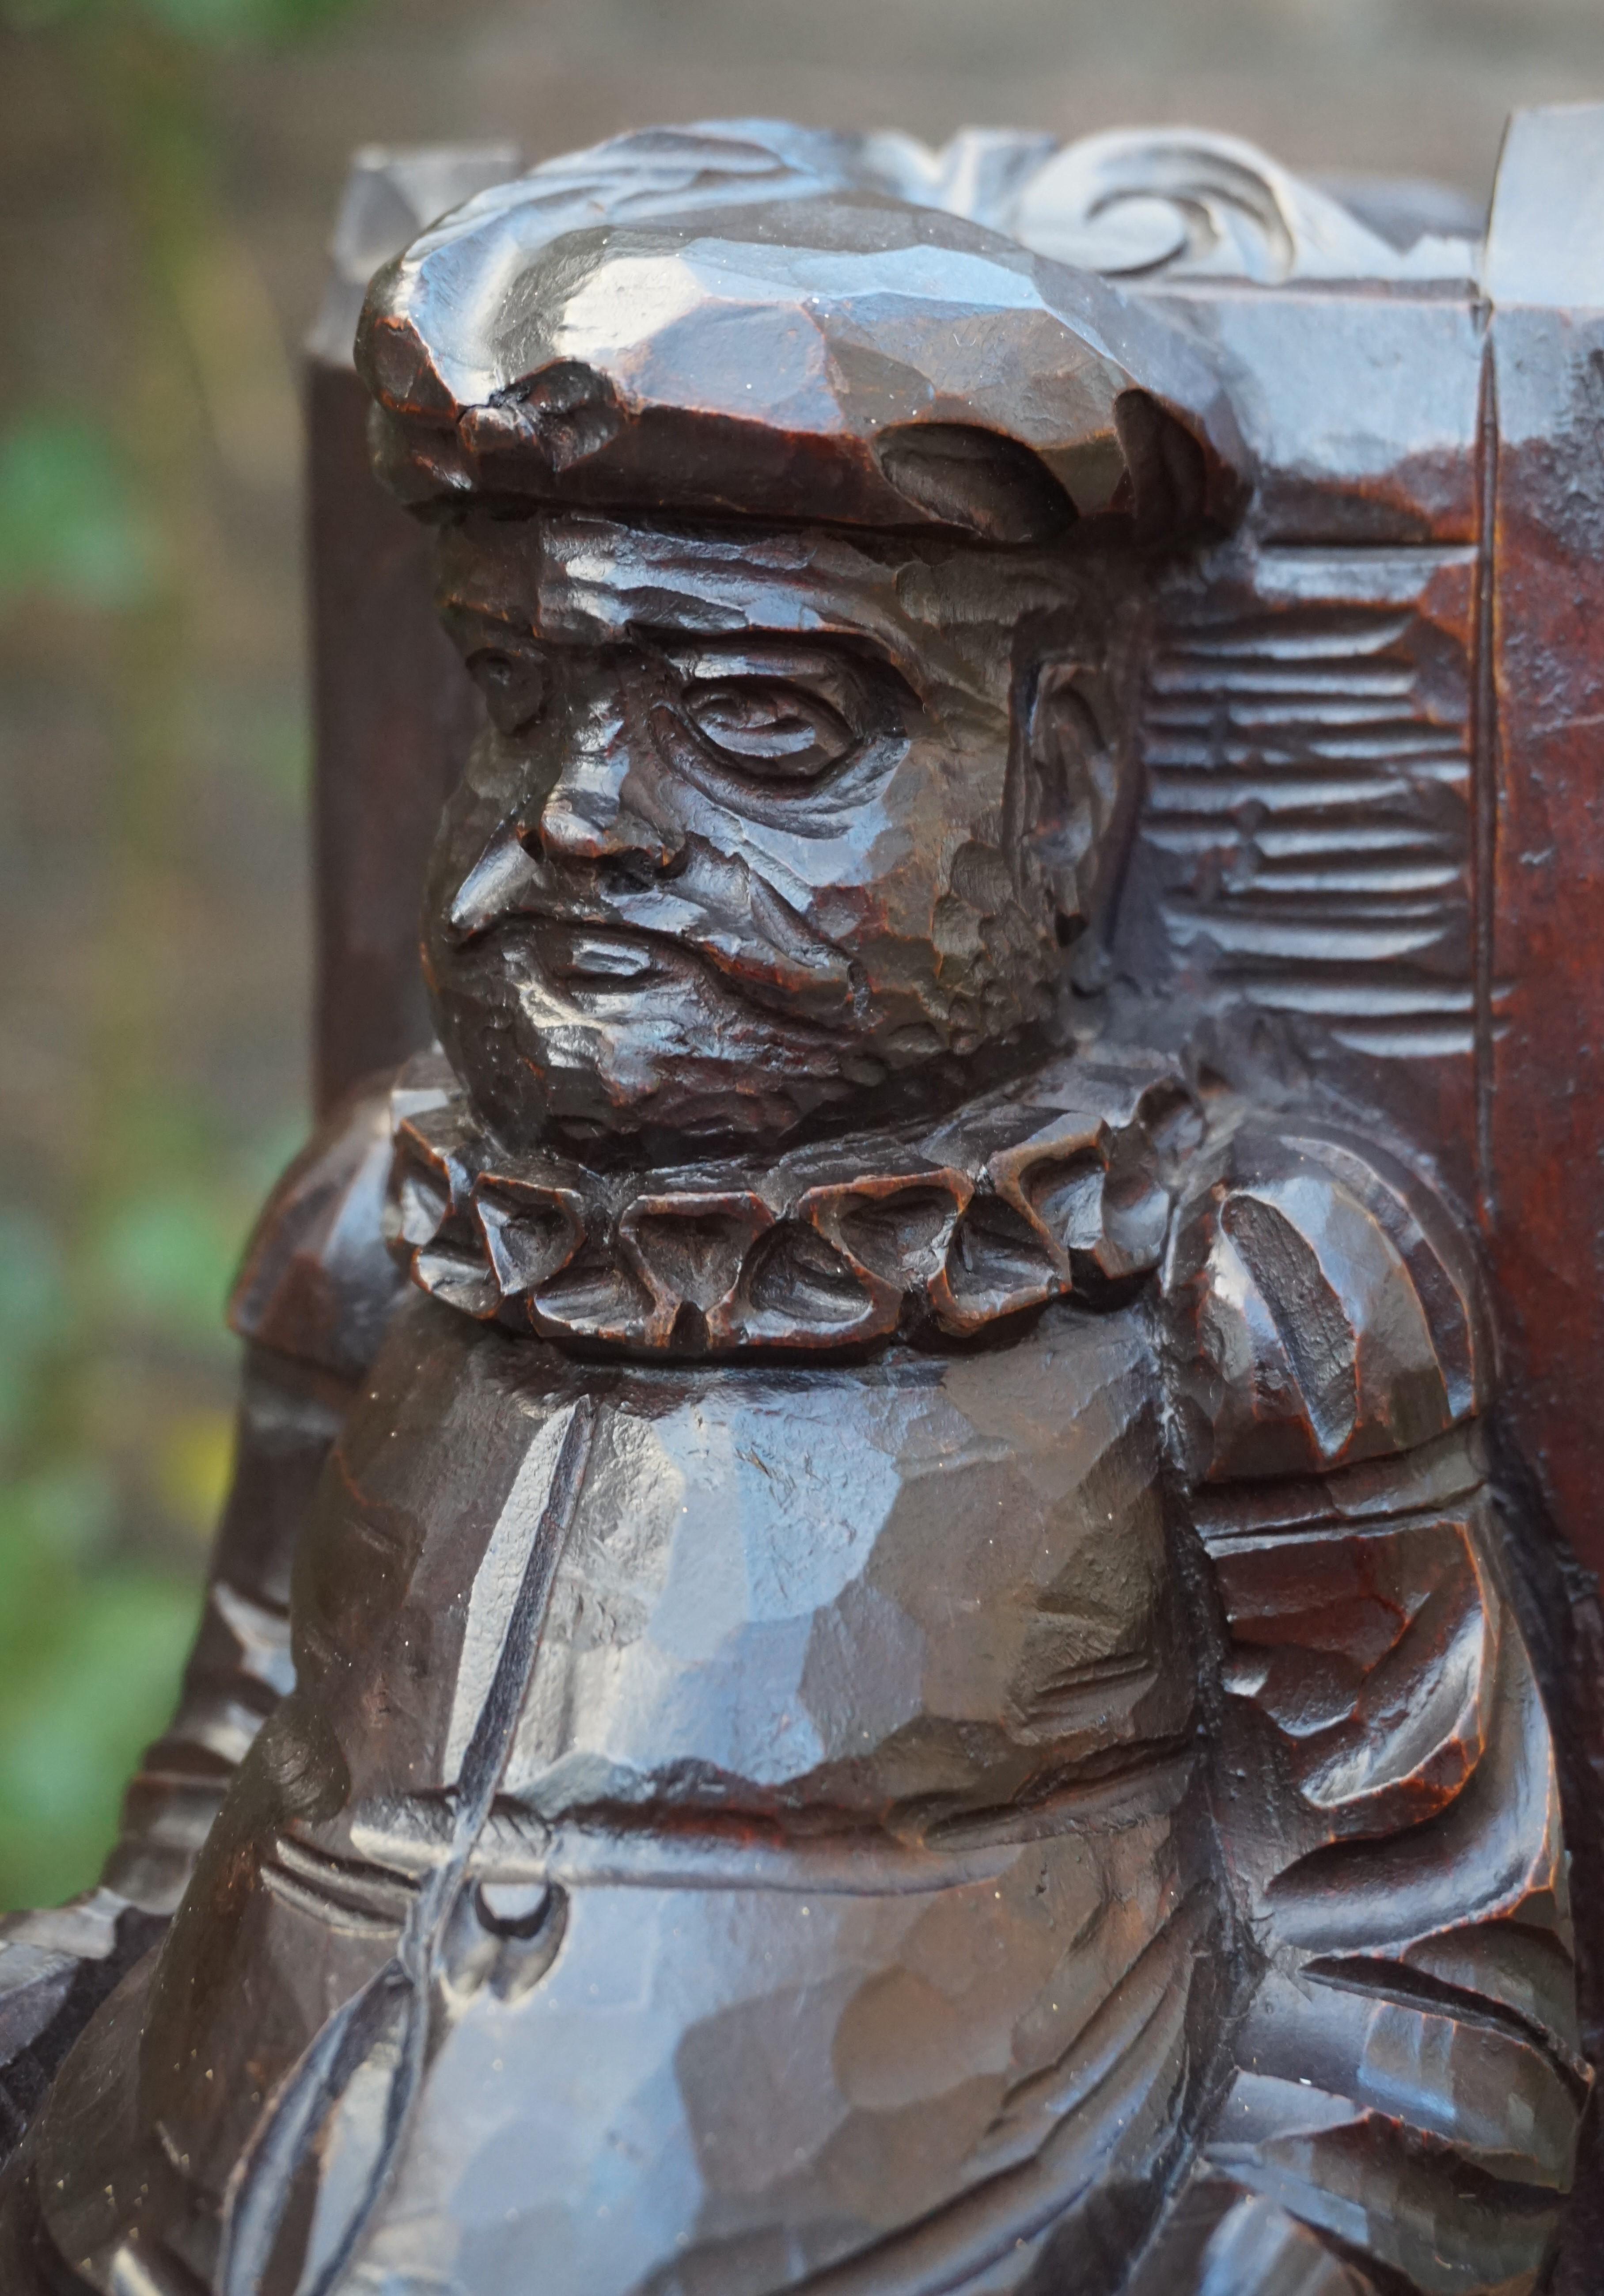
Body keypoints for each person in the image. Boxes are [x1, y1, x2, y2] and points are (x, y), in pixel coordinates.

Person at [0, 123, 1581, 2296]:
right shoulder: (384, 1221)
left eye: (756, 723)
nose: (579, 819)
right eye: (524, 699)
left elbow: (1404, 1968)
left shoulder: (1229, 1284)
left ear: (1056, 794)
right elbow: (224, 1787)